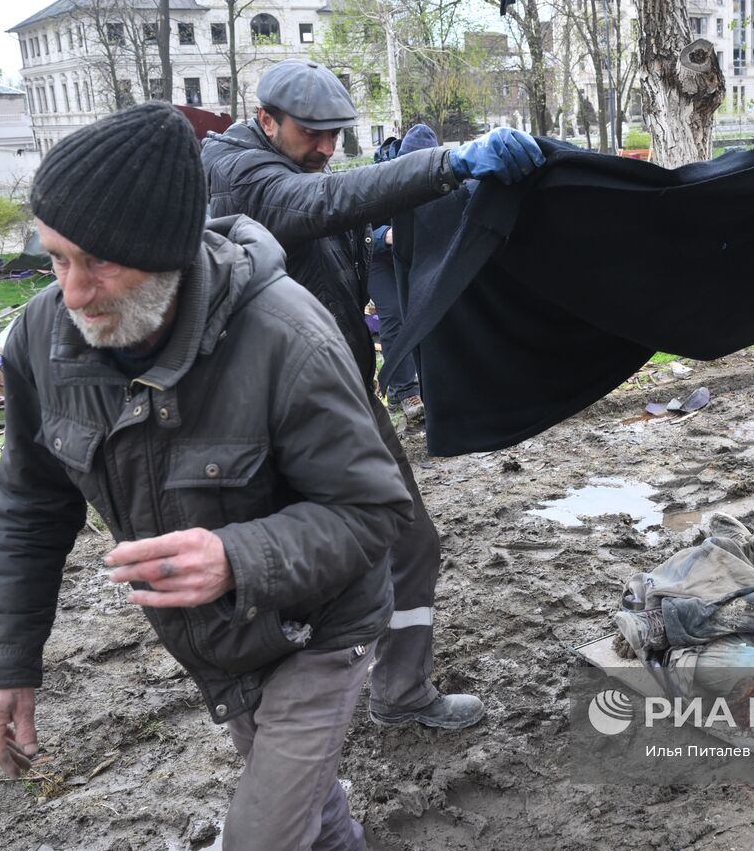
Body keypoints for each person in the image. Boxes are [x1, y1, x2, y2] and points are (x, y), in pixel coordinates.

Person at [0, 102, 407, 851]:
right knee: (307, 814)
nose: (72, 292)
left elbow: (373, 510)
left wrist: (237, 555)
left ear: (167, 256)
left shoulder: (288, 338)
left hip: (321, 626)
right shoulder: (42, 339)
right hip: (218, 640)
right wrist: (6, 664)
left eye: (97, 263)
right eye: (55, 259)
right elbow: (29, 508)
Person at [203, 60, 543, 729]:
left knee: (408, 543)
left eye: (337, 135)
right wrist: (451, 163)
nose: (327, 150)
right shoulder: (237, 172)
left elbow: (338, 222)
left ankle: (400, 693)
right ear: (266, 120)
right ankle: (290, 723)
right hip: (272, 418)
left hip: (342, 394)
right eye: (313, 134)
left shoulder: (292, 164)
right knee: (308, 570)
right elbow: (313, 205)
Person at [369, 124, 440, 424]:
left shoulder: (439, 174)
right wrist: (385, 234)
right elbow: (354, 227)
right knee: (394, 315)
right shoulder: (378, 180)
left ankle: (427, 386)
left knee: (426, 314)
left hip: (415, 255)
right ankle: (407, 390)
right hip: (378, 257)